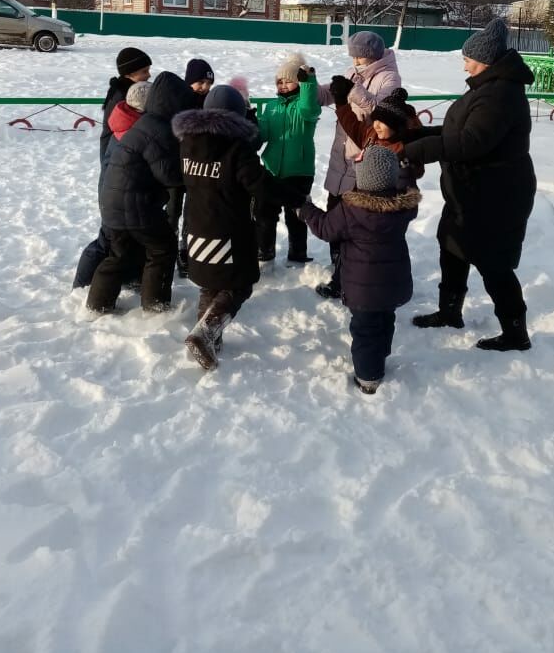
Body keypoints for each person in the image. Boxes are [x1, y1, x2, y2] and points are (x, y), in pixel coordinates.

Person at [403, 17, 536, 352]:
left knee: (494, 264)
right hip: (470, 192)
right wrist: (417, 135)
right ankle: (450, 312)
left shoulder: (500, 94)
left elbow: (470, 143)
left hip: (496, 195)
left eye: (467, 58)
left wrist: (417, 149)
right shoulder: (485, 87)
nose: (463, 63)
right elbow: (456, 134)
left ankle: (515, 333)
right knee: (452, 247)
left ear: (486, 61)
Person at [173, 85, 302, 371]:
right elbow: (261, 185)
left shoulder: (187, 142)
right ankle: (204, 334)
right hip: (227, 231)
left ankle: (209, 336)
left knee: (210, 282)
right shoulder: (236, 148)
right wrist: (296, 198)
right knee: (240, 284)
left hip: (196, 226)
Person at [299, 146, 420, 394]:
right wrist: (406, 174)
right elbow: (411, 192)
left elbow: (324, 228)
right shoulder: (403, 208)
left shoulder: (350, 211)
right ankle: (380, 354)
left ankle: (368, 377)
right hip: (393, 284)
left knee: (364, 330)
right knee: (386, 319)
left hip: (362, 290)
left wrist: (306, 209)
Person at [87, 71, 197, 314]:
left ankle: (97, 305)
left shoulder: (146, 122)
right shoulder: (159, 129)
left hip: (113, 202)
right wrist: (191, 173)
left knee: (119, 254)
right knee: (162, 247)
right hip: (135, 205)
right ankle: (155, 306)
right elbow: (168, 175)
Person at [315, 31, 402, 299]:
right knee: (334, 213)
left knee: (352, 223)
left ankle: (345, 278)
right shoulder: (354, 72)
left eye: (359, 55)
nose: (355, 60)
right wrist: (308, 85)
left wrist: (352, 92)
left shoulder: (389, 77)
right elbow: (327, 96)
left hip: (364, 161)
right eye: (352, 55)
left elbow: (378, 112)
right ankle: (338, 267)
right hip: (341, 154)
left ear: (372, 54)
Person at [72, 80, 152, 289]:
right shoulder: (133, 130)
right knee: (106, 241)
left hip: (114, 192)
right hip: (118, 196)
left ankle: (129, 279)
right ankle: (81, 285)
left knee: (121, 241)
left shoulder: (124, 120)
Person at [256, 52, 321, 265]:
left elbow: (309, 109)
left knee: (296, 216)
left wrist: (308, 82)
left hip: (299, 170)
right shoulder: (271, 107)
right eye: (279, 81)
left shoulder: (304, 106)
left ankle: (298, 253)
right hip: (271, 169)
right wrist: (252, 125)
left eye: (288, 80)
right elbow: (263, 133)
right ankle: (264, 250)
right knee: (265, 214)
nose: (283, 85)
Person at [169, 57, 216, 277]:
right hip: (176, 166)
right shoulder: (177, 102)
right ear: (189, 82)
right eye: (201, 83)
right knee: (172, 209)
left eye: (208, 84)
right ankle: (167, 249)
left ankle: (183, 248)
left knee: (191, 211)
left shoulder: (210, 102)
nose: (205, 88)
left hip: (198, 168)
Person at [330, 84, 423, 190]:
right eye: (375, 120)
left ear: (396, 126)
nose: (376, 126)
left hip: (391, 198)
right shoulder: (371, 134)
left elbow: (418, 170)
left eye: (383, 122)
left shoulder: (405, 146)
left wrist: (404, 167)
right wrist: (341, 103)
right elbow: (351, 125)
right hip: (365, 193)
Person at [100, 47, 152, 163]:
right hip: (115, 152)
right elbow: (114, 129)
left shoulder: (138, 90)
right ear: (128, 74)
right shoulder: (123, 97)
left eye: (148, 70)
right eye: (144, 71)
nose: (149, 75)